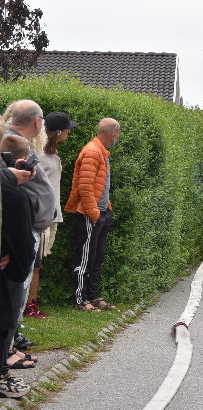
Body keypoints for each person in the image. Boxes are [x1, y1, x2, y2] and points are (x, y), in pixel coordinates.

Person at [3, 101, 56, 344]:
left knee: (19, 290)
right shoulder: (13, 144)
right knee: (16, 291)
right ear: (37, 122)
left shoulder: (18, 142)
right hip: (21, 231)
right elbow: (9, 195)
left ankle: (12, 337)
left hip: (29, 227)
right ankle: (9, 343)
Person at [65, 118, 121, 311]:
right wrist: (94, 213)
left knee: (97, 256)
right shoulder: (91, 152)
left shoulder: (102, 152)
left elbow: (101, 186)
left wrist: (105, 209)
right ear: (111, 133)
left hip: (102, 212)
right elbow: (85, 187)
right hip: (90, 214)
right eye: (118, 133)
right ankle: (81, 299)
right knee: (86, 257)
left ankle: (94, 295)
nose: (118, 138)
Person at [33, 112, 78, 318]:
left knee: (38, 261)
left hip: (50, 214)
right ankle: (29, 306)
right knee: (34, 262)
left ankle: (31, 302)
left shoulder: (53, 155)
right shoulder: (40, 155)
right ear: (59, 131)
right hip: (40, 215)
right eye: (67, 129)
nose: (69, 132)